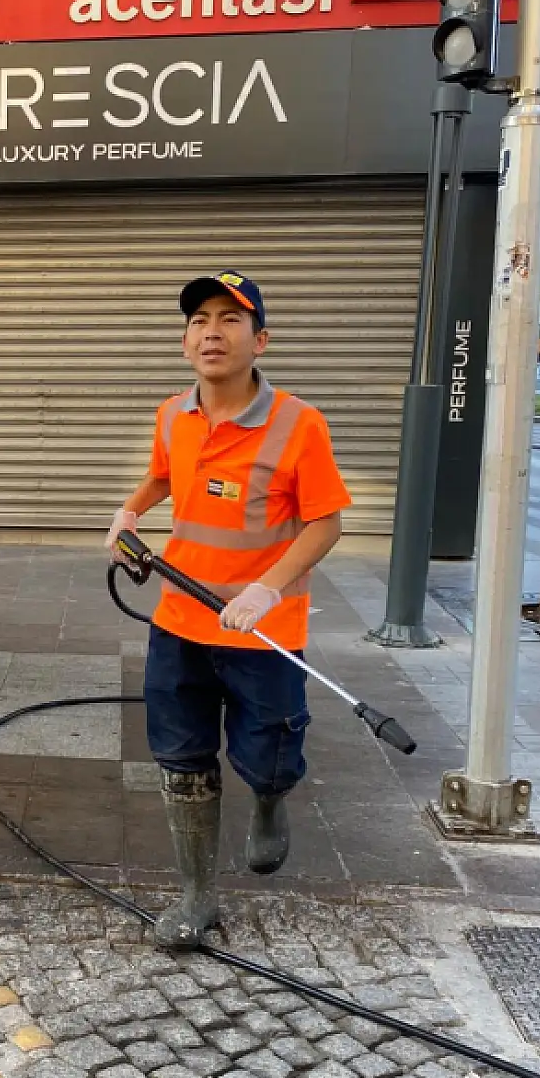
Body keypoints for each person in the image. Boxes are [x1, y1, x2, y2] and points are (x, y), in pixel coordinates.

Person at [107, 271, 352, 947]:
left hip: (262, 629)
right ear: (185, 342)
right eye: (198, 320)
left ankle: (270, 801)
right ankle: (196, 898)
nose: (211, 331)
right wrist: (132, 510)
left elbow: (325, 522)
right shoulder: (172, 415)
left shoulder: (299, 424)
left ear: (260, 339)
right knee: (182, 757)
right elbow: (165, 474)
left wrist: (267, 587)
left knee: (269, 754)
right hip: (180, 620)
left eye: (230, 319)